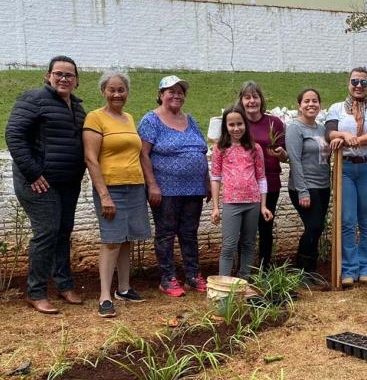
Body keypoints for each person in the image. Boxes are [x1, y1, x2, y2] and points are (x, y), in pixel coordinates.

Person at [6, 55, 86, 314]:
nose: (64, 78)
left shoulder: (78, 107)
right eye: (59, 73)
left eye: (69, 75)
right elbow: (14, 135)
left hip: (68, 183)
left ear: (76, 81)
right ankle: (36, 291)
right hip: (39, 183)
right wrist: (33, 174)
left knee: (63, 231)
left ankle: (64, 284)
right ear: (48, 76)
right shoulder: (34, 99)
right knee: (47, 232)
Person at [83, 70, 152, 318]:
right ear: (104, 91)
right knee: (111, 241)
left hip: (134, 185)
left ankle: (124, 288)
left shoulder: (129, 118)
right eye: (111, 89)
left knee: (126, 239)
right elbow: (91, 159)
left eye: (121, 89)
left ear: (127, 92)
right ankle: (104, 295)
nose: (117, 94)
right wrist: (104, 195)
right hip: (111, 187)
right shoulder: (95, 118)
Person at [138, 75, 209, 297]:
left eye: (180, 91)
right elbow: (143, 154)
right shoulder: (151, 120)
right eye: (171, 91)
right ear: (161, 95)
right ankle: (167, 278)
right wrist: (152, 185)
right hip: (165, 189)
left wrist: (206, 181)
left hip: (194, 188)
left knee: (190, 232)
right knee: (166, 233)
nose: (176, 95)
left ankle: (193, 275)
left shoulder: (191, 120)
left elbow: (201, 151)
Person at [326, 67, 367, 286]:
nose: (359, 86)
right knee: (348, 221)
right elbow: (329, 132)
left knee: (365, 221)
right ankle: (349, 269)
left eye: (363, 82)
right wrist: (343, 135)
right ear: (348, 83)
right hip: (346, 168)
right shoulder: (337, 108)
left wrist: (354, 141)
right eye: (355, 81)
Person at [210, 106, 273, 279]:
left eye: (240, 124)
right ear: (225, 126)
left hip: (252, 202)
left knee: (248, 243)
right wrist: (215, 207)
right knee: (229, 244)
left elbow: (261, 177)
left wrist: (263, 205)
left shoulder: (255, 148)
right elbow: (215, 177)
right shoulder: (220, 149)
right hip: (231, 202)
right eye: (231, 125)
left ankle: (244, 279)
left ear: (245, 124)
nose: (236, 128)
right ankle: (224, 282)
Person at [236, 81, 287, 270]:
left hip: (270, 182)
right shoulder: (237, 122)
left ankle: (265, 270)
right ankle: (243, 271)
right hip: (244, 184)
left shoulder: (275, 122)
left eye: (255, 96)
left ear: (261, 99)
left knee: (266, 228)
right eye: (247, 97)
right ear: (241, 100)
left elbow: (285, 156)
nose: (251, 101)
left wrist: (281, 153)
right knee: (244, 230)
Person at [286, 89, 332, 276]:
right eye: (306, 101)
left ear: (320, 105)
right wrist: (302, 191)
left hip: (323, 186)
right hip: (304, 186)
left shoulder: (322, 129)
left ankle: (311, 270)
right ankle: (302, 271)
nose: (311, 104)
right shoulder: (295, 128)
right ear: (300, 106)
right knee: (313, 226)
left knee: (318, 227)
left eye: (315, 101)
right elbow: (294, 160)